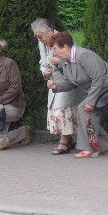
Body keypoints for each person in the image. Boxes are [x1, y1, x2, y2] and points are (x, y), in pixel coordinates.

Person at [48, 32, 108, 159]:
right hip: (99, 88)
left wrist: (91, 101)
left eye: (55, 49)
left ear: (65, 47)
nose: (54, 53)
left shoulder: (83, 55)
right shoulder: (65, 62)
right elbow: (70, 83)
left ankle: (90, 149)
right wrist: (56, 86)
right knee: (86, 114)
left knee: (84, 110)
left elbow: (98, 78)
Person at [31, 18, 83, 154]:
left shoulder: (63, 39)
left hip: (67, 81)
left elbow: (72, 60)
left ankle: (64, 142)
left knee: (63, 110)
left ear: (49, 31)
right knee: (56, 111)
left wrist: (57, 63)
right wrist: (44, 72)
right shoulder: (42, 42)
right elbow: (42, 63)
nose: (38, 38)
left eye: (39, 35)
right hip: (53, 82)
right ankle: (68, 140)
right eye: (36, 36)